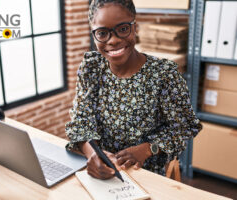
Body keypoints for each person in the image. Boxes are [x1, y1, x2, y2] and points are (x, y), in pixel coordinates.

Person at [65, 0, 202, 180]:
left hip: (145, 172)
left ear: (135, 27)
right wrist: (94, 155)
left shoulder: (163, 74)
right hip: (100, 170)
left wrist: (147, 149)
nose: (113, 40)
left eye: (123, 29)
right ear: (94, 34)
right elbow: (81, 120)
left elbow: (185, 127)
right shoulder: (91, 67)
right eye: (102, 33)